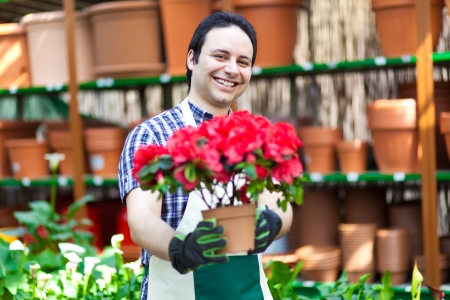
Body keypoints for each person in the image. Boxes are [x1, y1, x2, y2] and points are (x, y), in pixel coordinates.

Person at [118, 11, 293, 300]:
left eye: (243, 62)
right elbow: (141, 220)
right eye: (221, 56)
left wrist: (273, 222)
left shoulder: (257, 138)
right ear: (192, 59)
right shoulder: (153, 135)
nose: (232, 69)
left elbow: (280, 207)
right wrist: (181, 248)